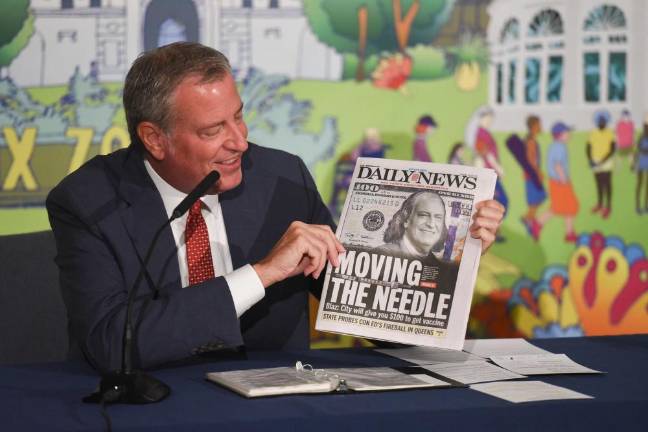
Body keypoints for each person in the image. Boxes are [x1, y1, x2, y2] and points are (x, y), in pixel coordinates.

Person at [46, 42, 504, 373]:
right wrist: (261, 275)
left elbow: (373, 315)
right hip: (151, 404)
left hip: (276, 406)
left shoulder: (282, 178)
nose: (240, 142)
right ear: (154, 138)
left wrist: (456, 256)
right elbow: (111, 344)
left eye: (239, 116)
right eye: (213, 131)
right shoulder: (89, 202)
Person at [536, 122, 579, 242]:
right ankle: (538, 224)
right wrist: (564, 180)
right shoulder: (559, 147)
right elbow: (557, 165)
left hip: (557, 182)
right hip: (560, 182)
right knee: (566, 206)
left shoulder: (555, 145)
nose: (569, 135)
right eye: (567, 133)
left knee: (564, 206)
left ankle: (568, 232)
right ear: (560, 135)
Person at [586, 109, 615, 218]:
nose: (602, 122)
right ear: (597, 121)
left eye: (603, 121)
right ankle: (599, 204)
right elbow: (588, 147)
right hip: (595, 161)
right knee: (598, 184)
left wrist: (603, 160)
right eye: (600, 120)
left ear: (606, 122)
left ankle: (608, 207)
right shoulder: (593, 132)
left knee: (607, 184)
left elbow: (612, 149)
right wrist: (590, 160)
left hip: (607, 162)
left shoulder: (610, 132)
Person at [521, 116, 546, 234]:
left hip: (531, 175)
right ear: (534, 126)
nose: (541, 127)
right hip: (531, 176)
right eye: (539, 124)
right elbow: (531, 161)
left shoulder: (531, 140)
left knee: (539, 197)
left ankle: (528, 218)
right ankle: (528, 219)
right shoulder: (530, 141)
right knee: (536, 199)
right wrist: (538, 173)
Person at [635, 116, 648, 214]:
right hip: (640, 164)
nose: (646, 129)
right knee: (639, 185)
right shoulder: (641, 137)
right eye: (645, 127)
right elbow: (638, 150)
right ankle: (638, 206)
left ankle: (646, 206)